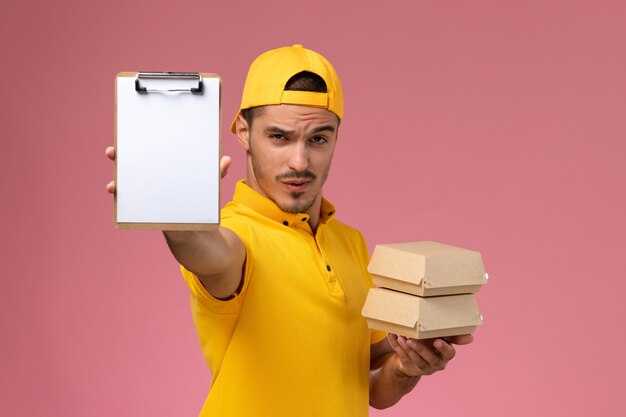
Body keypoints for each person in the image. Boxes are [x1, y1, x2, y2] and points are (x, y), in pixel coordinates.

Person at [106, 44, 473, 417]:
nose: (300, 162)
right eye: (279, 137)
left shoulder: (350, 243)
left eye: (317, 139)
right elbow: (206, 252)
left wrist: (405, 367)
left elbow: (373, 384)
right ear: (244, 132)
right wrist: (177, 215)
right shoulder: (237, 236)